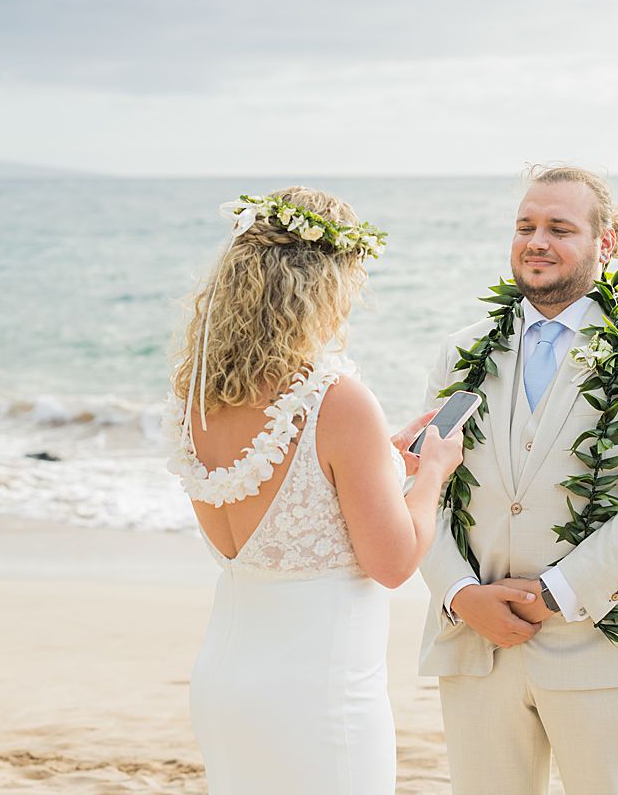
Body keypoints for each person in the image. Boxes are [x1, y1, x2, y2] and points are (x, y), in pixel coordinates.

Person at [162, 186, 466, 794]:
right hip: (317, 695)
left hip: (225, 681)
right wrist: (432, 472)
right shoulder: (335, 398)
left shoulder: (195, 396)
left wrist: (379, 462)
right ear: (322, 287)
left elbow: (287, 511)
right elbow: (394, 562)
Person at [418, 166, 618, 795]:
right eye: (525, 226)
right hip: (479, 643)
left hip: (605, 644)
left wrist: (554, 593)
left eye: (559, 227)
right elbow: (428, 493)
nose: (536, 241)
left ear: (607, 242)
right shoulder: (461, 351)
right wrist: (461, 595)